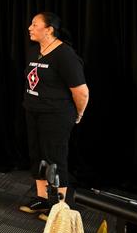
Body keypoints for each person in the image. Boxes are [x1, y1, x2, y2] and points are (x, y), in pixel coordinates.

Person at [19, 12, 89, 221]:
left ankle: (59, 205)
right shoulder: (35, 51)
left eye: (35, 24)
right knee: (38, 156)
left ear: (49, 29)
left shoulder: (65, 54)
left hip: (56, 115)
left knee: (54, 159)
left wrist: (79, 113)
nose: (30, 28)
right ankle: (42, 199)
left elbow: (81, 91)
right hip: (34, 112)